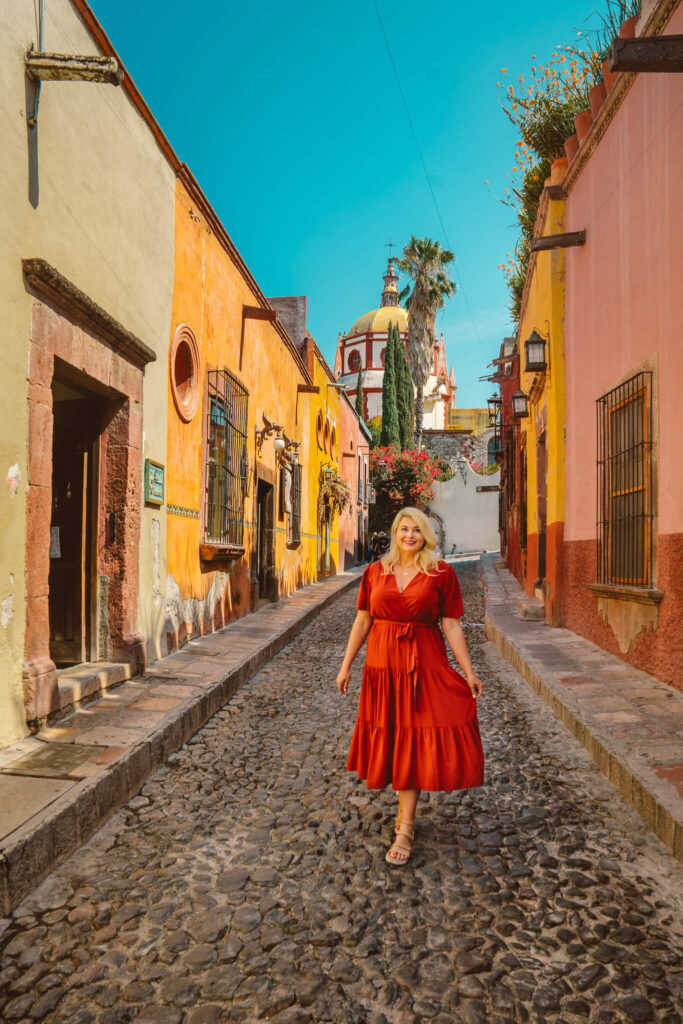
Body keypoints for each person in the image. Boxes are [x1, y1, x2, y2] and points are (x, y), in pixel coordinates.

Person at [336, 507, 484, 866]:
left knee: (417, 736)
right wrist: (346, 666)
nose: (410, 535)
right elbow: (363, 620)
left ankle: (405, 825)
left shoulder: (441, 573)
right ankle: (405, 819)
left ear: (426, 535)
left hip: (425, 665)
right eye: (404, 529)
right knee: (396, 736)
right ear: (395, 532)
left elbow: (451, 626)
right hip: (382, 668)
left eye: (417, 530)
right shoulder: (374, 572)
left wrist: (468, 671)